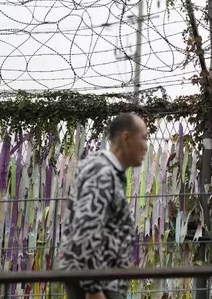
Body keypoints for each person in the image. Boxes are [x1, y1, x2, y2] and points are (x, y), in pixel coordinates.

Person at [58, 113, 148, 299]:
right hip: (97, 283)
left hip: (100, 279)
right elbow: (86, 229)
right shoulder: (103, 173)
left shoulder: (106, 170)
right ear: (126, 137)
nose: (146, 146)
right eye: (144, 137)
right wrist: (93, 289)